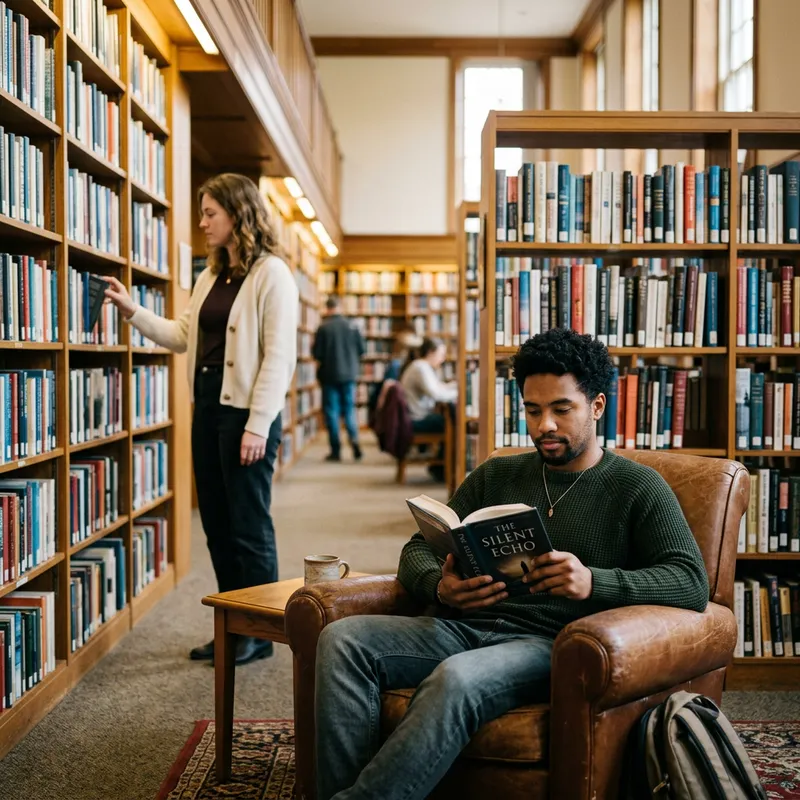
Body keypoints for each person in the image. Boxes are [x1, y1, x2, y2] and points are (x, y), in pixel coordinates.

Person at [313, 327, 710, 800]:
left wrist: (591, 581)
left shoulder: (637, 487)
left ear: (597, 407)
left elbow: (690, 582)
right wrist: (440, 588)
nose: (544, 425)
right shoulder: (497, 474)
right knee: (341, 639)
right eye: (533, 409)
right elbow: (417, 548)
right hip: (460, 626)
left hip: (550, 643)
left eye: (562, 409)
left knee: (458, 678)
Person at [104, 173, 298, 666]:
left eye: (211, 212)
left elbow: (279, 356)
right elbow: (182, 334)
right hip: (208, 408)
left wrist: (258, 423)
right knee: (215, 522)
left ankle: (262, 629)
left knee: (248, 525)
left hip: (246, 413)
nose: (204, 222)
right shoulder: (210, 275)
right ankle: (235, 624)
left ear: (238, 213)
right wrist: (133, 312)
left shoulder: (271, 273)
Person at [313, 296, 365, 462]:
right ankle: (354, 440)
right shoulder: (352, 326)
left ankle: (336, 450)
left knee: (332, 412)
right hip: (349, 374)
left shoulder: (323, 328)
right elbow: (362, 350)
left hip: (329, 375)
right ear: (340, 307)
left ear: (327, 308)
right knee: (349, 409)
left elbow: (317, 354)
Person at [399, 336, 458, 481]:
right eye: (441, 354)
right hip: (416, 419)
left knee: (449, 419)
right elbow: (436, 394)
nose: (443, 359)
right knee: (453, 424)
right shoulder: (420, 368)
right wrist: (461, 392)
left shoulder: (422, 366)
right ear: (431, 352)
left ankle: (439, 467)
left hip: (417, 415)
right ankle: (441, 468)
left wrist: (455, 386)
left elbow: (438, 388)